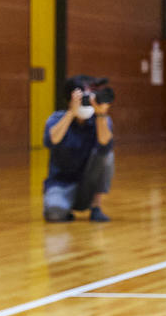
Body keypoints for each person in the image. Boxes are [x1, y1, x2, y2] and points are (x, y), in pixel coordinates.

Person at [41, 75, 115, 223]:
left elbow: (105, 143)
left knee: (106, 155)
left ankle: (96, 207)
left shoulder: (100, 120)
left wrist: (101, 114)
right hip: (61, 184)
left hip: (87, 185)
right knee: (54, 215)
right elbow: (53, 139)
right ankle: (63, 208)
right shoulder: (56, 119)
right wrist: (71, 113)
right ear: (70, 99)